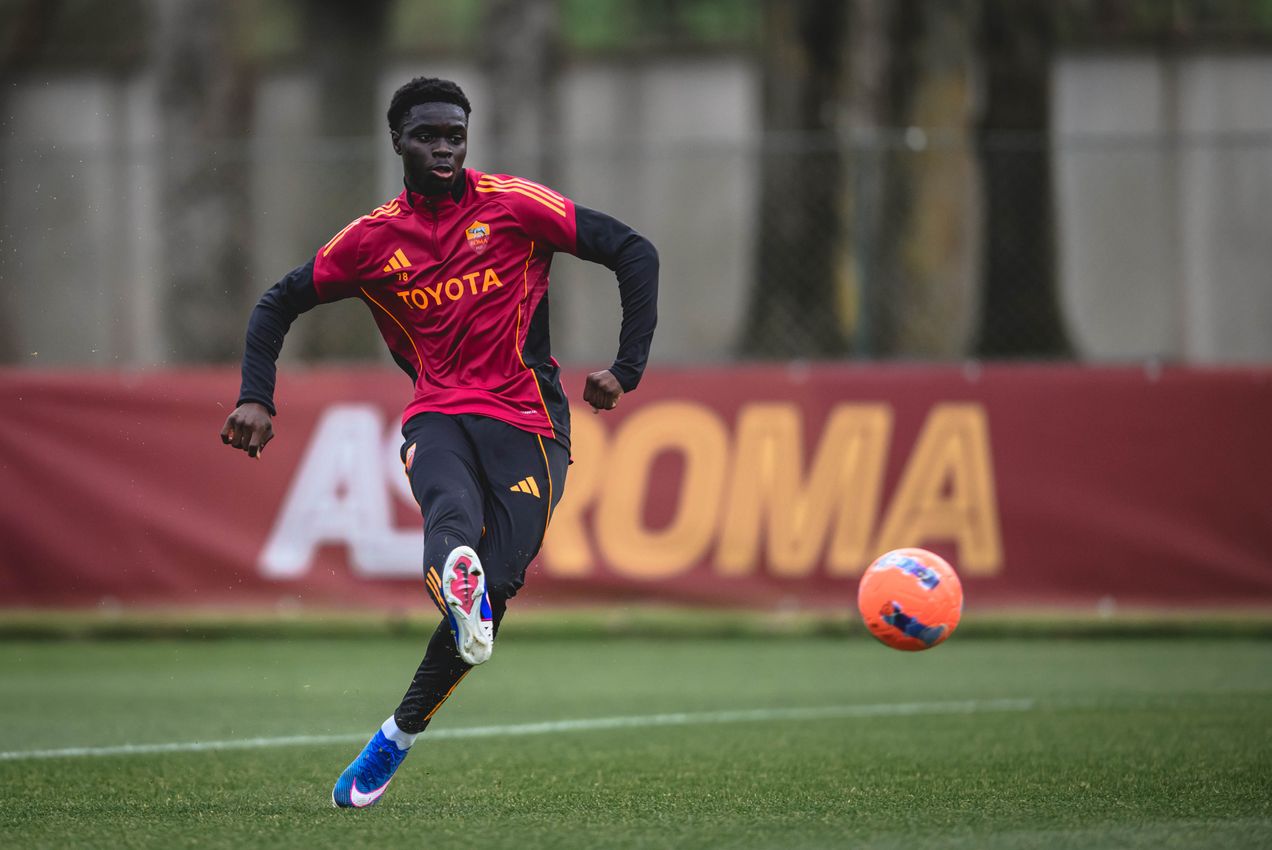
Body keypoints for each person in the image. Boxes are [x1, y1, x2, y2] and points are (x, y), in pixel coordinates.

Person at [219, 76, 658, 809]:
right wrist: (256, 396)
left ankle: (397, 731)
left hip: (531, 421)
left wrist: (627, 368)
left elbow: (634, 251)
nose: (446, 146)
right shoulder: (369, 241)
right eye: (429, 135)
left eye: (456, 133)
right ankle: (455, 572)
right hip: (439, 411)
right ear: (398, 142)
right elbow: (278, 303)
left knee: (496, 593)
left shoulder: (514, 206)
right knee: (448, 511)